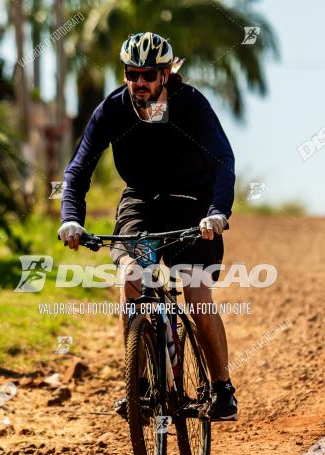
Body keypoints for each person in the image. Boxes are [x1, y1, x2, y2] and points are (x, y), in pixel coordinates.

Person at [57, 32, 237, 421]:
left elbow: (223, 158)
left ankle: (222, 387)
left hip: (194, 204)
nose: (139, 83)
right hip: (141, 200)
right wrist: (71, 218)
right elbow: (78, 170)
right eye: (131, 74)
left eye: (148, 75)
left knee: (195, 288)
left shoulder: (191, 105)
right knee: (131, 278)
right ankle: (137, 387)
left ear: (166, 75)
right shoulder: (112, 110)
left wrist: (218, 210)